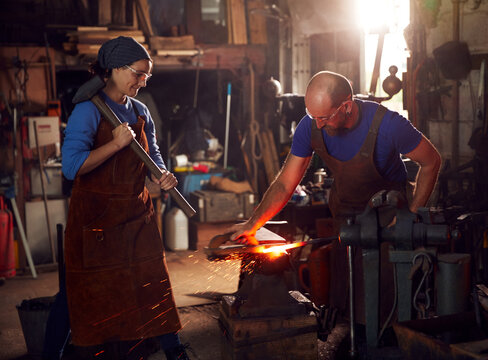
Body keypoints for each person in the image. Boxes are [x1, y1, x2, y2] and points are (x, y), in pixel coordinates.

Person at [229, 70, 441, 324]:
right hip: (346, 217)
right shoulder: (311, 125)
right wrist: (253, 224)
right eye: (312, 116)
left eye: (325, 117)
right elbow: (285, 183)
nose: (317, 124)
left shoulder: (389, 125)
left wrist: (411, 215)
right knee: (344, 295)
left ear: (347, 106)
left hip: (388, 221)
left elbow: (431, 162)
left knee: (384, 301)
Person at [43, 36, 189, 360]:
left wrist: (161, 175)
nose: (143, 80)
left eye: (147, 75)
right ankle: (52, 354)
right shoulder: (88, 110)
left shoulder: (140, 111)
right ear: (114, 69)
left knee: (153, 283)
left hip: (136, 214)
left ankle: (175, 352)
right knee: (79, 295)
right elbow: (71, 167)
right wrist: (115, 144)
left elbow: (155, 154)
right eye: (138, 73)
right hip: (96, 220)